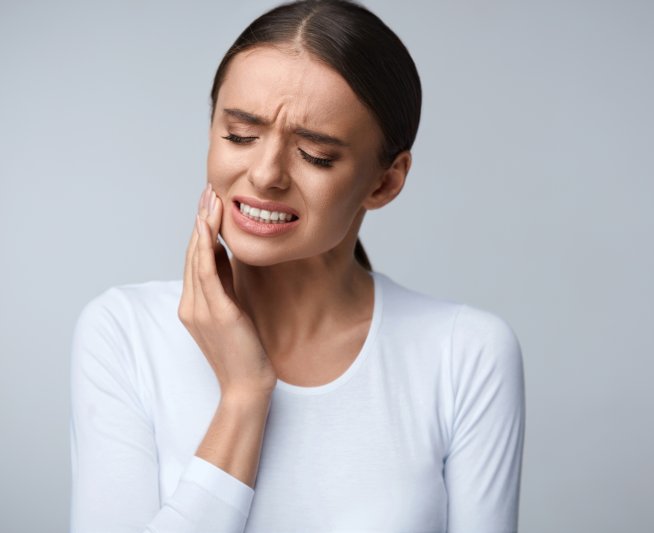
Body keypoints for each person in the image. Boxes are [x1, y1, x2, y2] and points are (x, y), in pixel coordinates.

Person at [69, 0, 526, 531]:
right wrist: (243, 398)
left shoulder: (464, 354)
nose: (264, 174)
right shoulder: (123, 333)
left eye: (315, 155)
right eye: (239, 135)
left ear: (385, 182)